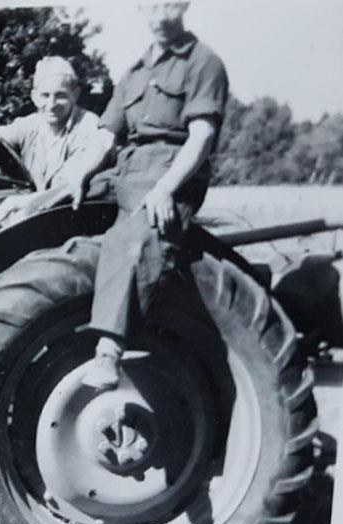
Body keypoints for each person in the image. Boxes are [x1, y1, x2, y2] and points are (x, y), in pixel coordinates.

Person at [81, 0, 229, 389]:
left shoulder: (203, 62)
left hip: (170, 169)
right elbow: (107, 134)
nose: (160, 15)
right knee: (54, 204)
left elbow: (202, 137)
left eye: (168, 5)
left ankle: (108, 349)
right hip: (126, 167)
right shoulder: (136, 69)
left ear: (184, 5)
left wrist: (167, 189)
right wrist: (77, 174)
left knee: (135, 235)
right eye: (151, 6)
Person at [0, 56, 110, 232]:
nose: (51, 104)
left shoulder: (88, 126)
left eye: (61, 96)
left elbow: (63, 191)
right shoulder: (30, 124)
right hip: (38, 213)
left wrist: (11, 204)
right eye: (45, 95)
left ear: (76, 95)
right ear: (34, 96)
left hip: (74, 217)